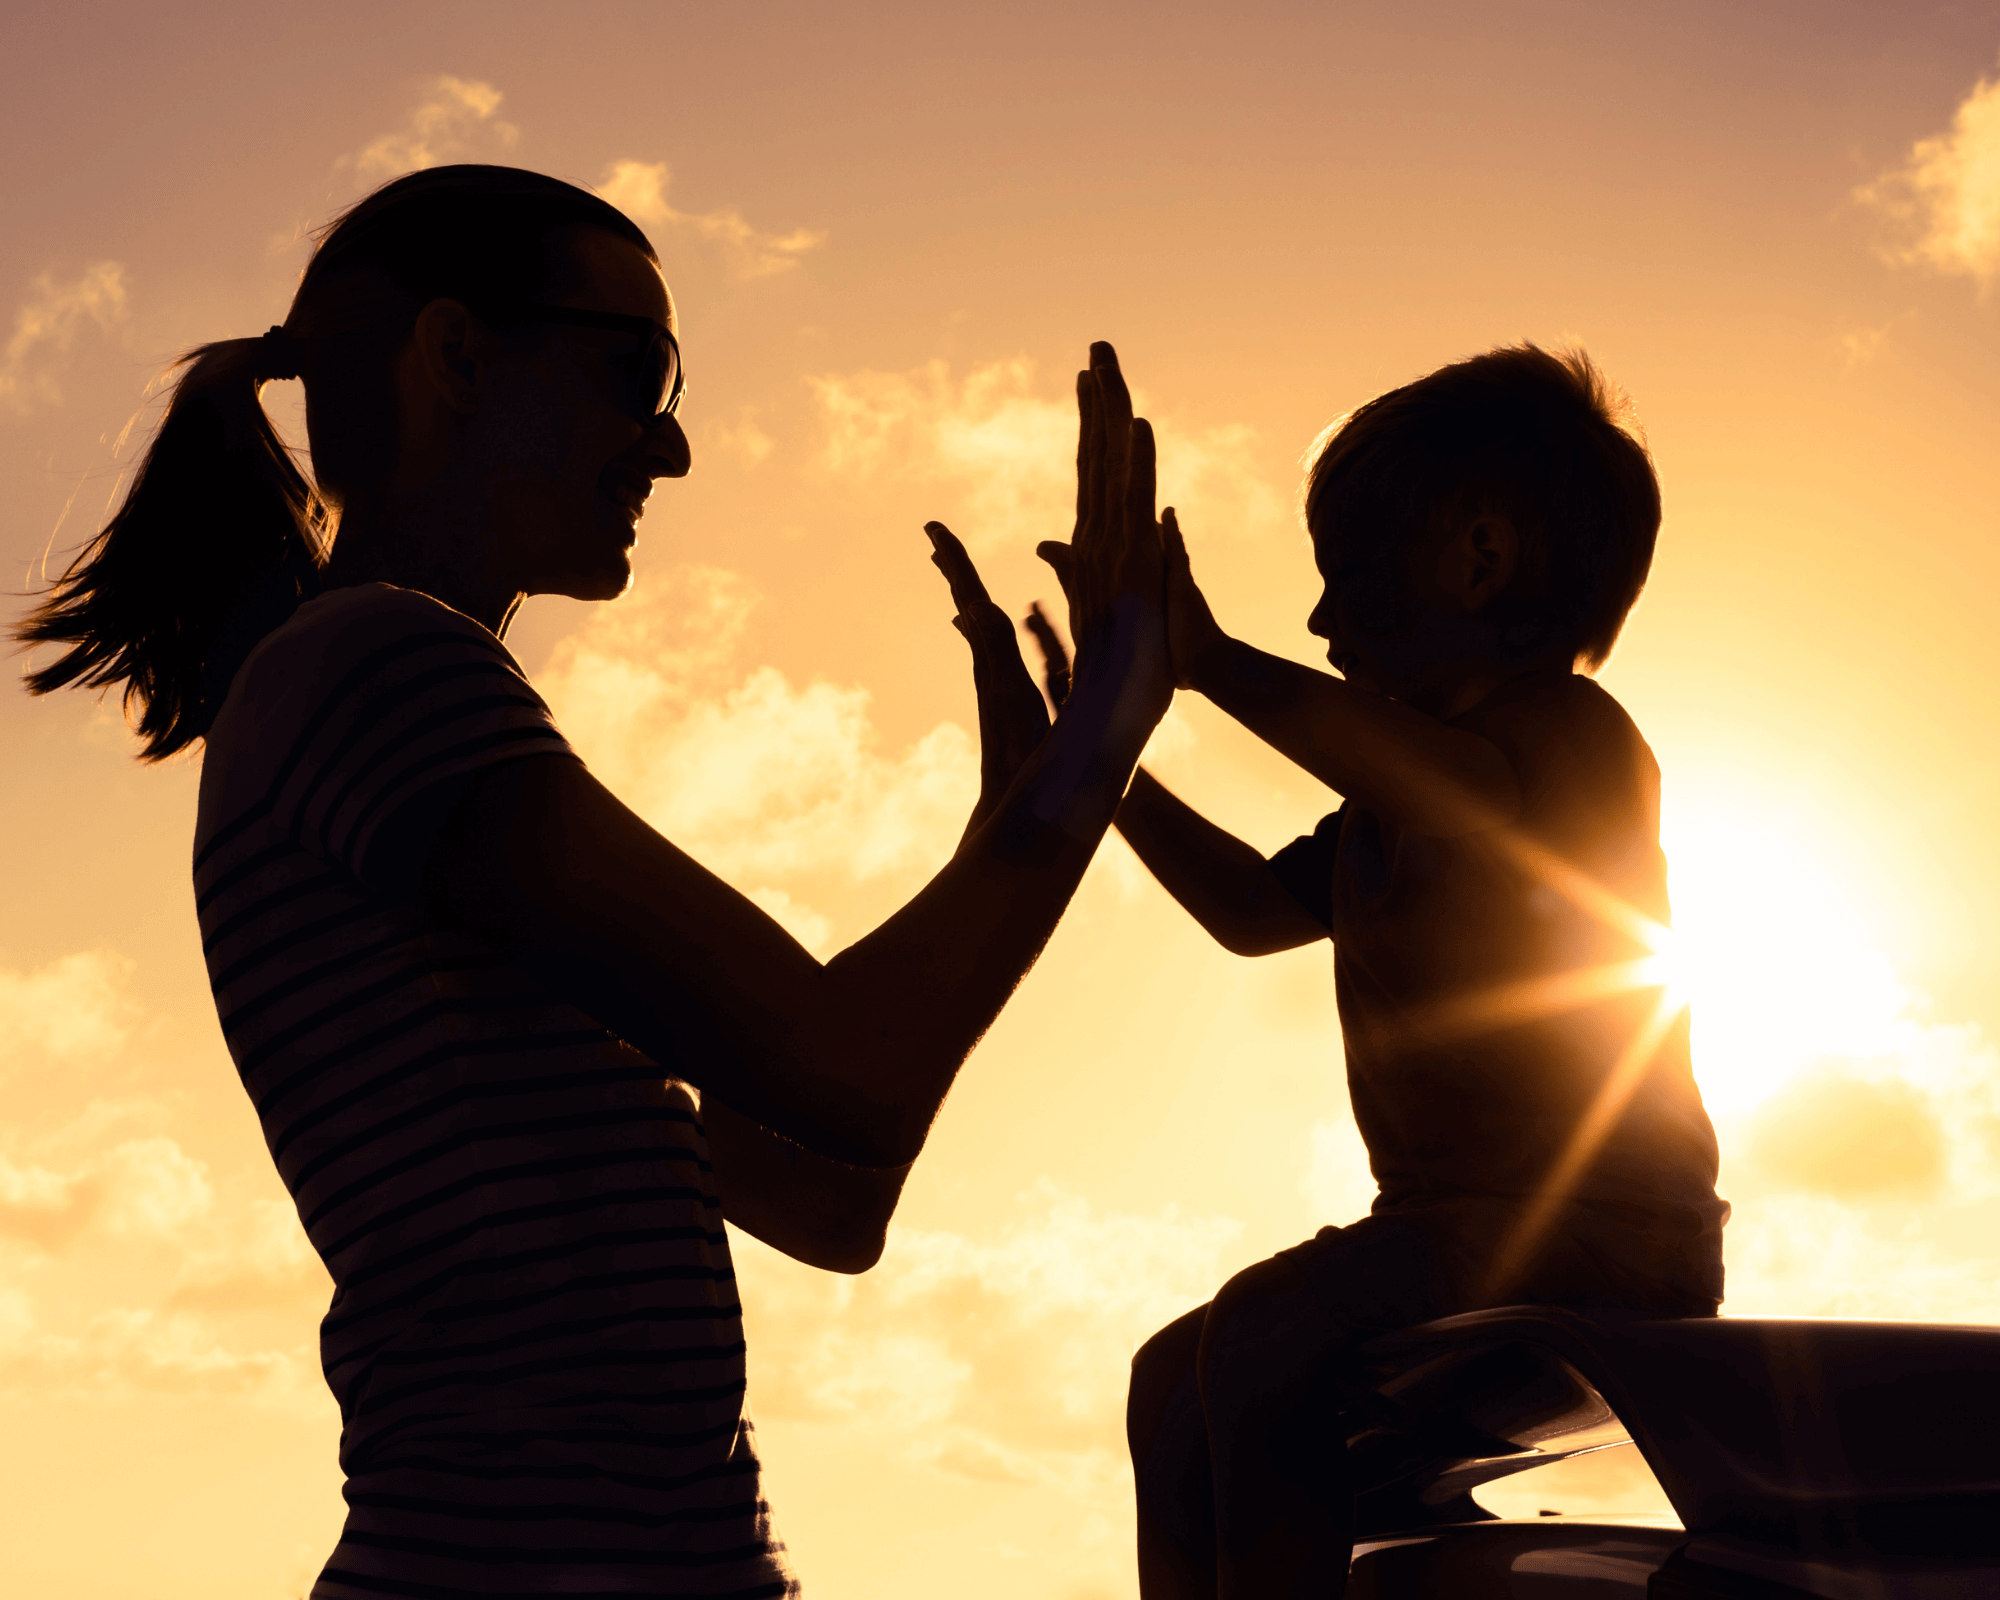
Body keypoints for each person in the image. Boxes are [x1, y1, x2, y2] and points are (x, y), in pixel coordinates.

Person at [15, 164, 1174, 1598]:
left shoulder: (406, 721)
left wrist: (1020, 821)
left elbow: (834, 1200)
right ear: (454, 356)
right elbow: (853, 1072)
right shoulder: (374, 673)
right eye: (641, 370)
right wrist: (1091, 752)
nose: (670, 447)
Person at [1099, 346, 1729, 1599]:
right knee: (1173, 1375)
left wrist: (1211, 660)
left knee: (1267, 1326)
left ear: (1475, 555)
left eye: (1341, 581)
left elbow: (1461, 801)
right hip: (1448, 1238)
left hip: (1607, 1235)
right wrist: (1098, 753)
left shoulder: (1567, 737)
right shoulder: (1381, 812)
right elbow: (1241, 909)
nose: (1323, 623)